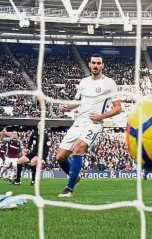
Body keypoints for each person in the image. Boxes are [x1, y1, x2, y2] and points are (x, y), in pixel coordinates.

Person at [57, 54, 122, 198]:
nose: (96, 65)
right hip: (78, 122)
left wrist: (101, 116)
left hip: (94, 123)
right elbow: (76, 101)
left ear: (103, 66)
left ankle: (69, 188)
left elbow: (118, 108)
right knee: (60, 157)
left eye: (99, 63)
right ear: (89, 64)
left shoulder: (109, 83)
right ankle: (75, 176)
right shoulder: (84, 82)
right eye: (93, 63)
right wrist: (66, 107)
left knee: (78, 148)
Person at [12, 121, 51, 186]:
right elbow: (30, 142)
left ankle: (33, 180)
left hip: (40, 155)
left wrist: (44, 158)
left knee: (32, 162)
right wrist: (28, 148)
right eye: (39, 125)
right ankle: (18, 180)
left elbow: (47, 149)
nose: (40, 127)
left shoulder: (46, 136)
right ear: (37, 126)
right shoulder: (34, 133)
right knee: (19, 161)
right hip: (32, 153)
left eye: (41, 125)